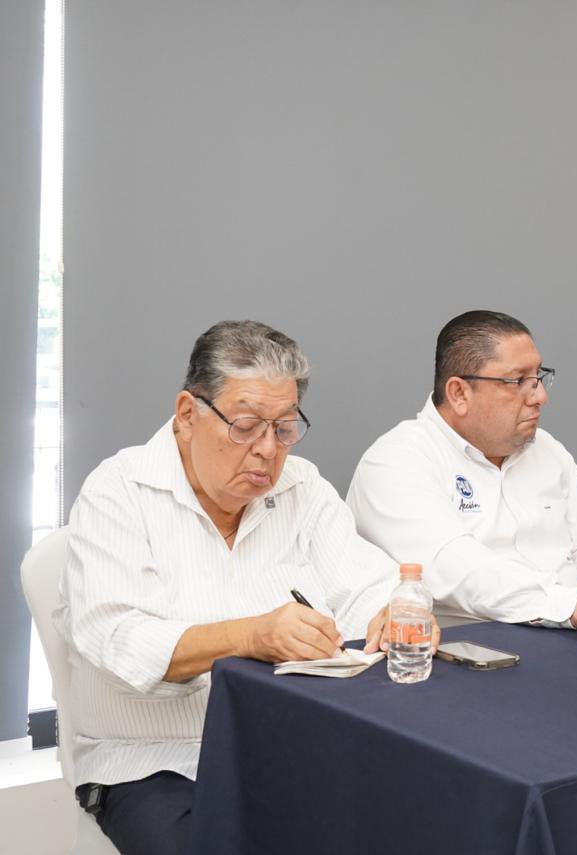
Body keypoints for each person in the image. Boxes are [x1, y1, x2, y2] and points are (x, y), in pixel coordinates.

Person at [55, 321, 415, 855]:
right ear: (187, 414)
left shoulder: (302, 488)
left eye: (285, 428)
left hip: (293, 747)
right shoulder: (119, 492)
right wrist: (249, 636)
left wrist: (395, 611)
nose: (268, 450)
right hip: (153, 761)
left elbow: (366, 586)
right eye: (246, 426)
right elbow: (119, 639)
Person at [347, 310, 577, 629]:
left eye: (538, 377)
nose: (540, 396)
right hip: (473, 648)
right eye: (518, 381)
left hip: (571, 635)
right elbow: (463, 572)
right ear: (459, 393)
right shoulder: (397, 460)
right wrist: (569, 606)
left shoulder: (547, 450)